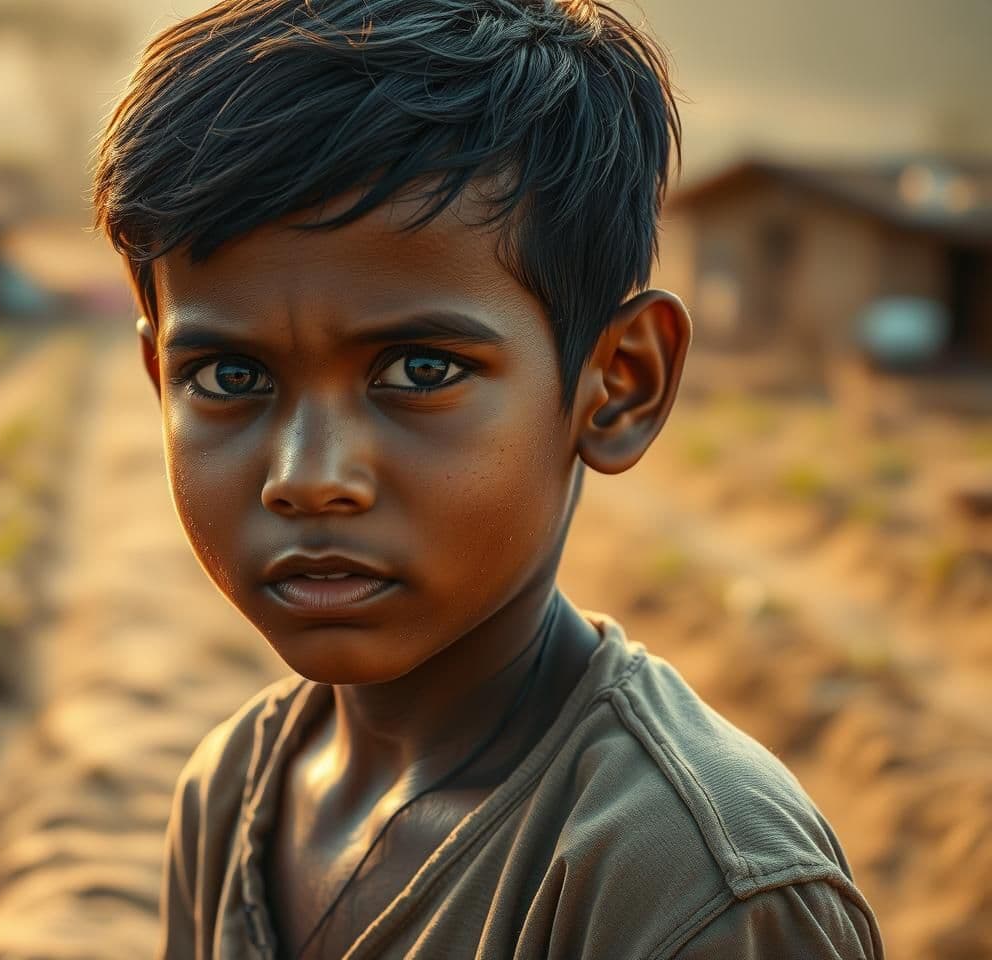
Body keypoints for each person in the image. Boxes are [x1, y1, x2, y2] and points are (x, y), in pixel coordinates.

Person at [91, 1, 884, 957]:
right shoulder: (229, 792)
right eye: (229, 377)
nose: (309, 478)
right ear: (157, 383)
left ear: (619, 385)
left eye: (422, 371)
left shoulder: (690, 889)